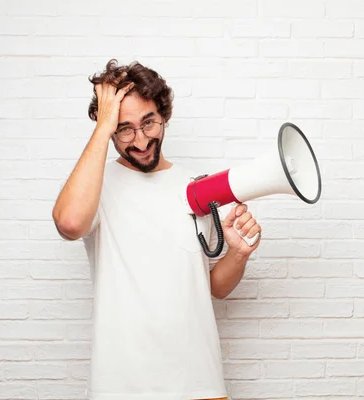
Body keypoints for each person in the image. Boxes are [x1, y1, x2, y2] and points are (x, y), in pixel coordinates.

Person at [52, 59, 262, 400]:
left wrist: (238, 253)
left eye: (149, 123)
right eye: (124, 128)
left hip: (199, 383)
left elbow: (214, 288)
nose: (140, 139)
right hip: (120, 387)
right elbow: (70, 223)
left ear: (164, 116)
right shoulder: (96, 186)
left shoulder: (195, 188)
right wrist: (103, 125)